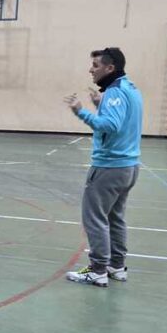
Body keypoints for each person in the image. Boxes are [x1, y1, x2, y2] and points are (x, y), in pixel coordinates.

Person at [63, 47, 142, 287]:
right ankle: (116, 266)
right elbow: (121, 120)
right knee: (115, 218)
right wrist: (101, 105)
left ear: (110, 68)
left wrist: (81, 112)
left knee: (94, 218)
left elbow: (111, 126)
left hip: (110, 167)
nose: (91, 70)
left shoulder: (115, 92)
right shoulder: (129, 88)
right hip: (129, 166)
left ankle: (97, 270)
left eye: (95, 65)